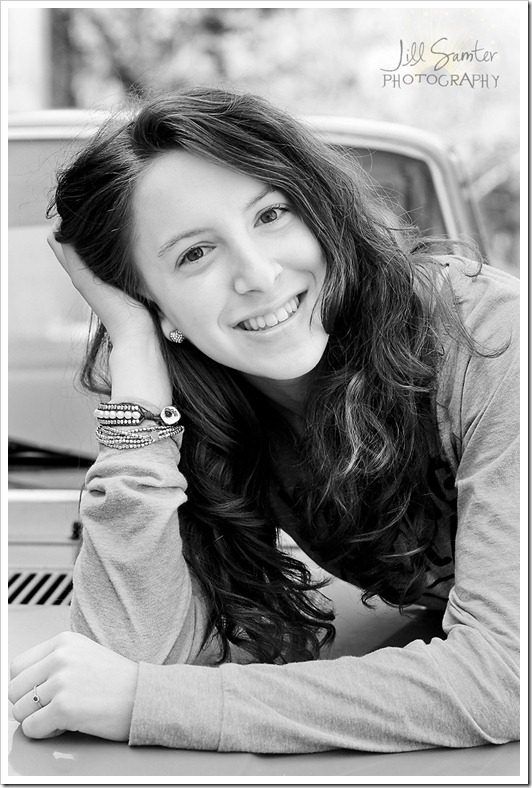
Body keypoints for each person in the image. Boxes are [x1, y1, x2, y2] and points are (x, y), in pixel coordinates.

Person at [9, 87, 520, 752]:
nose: (257, 273)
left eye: (271, 214)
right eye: (194, 254)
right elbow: (125, 657)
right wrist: (133, 345)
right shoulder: (218, 414)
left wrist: (147, 702)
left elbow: (508, 677)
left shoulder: (493, 341)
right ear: (156, 305)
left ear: (319, 212)